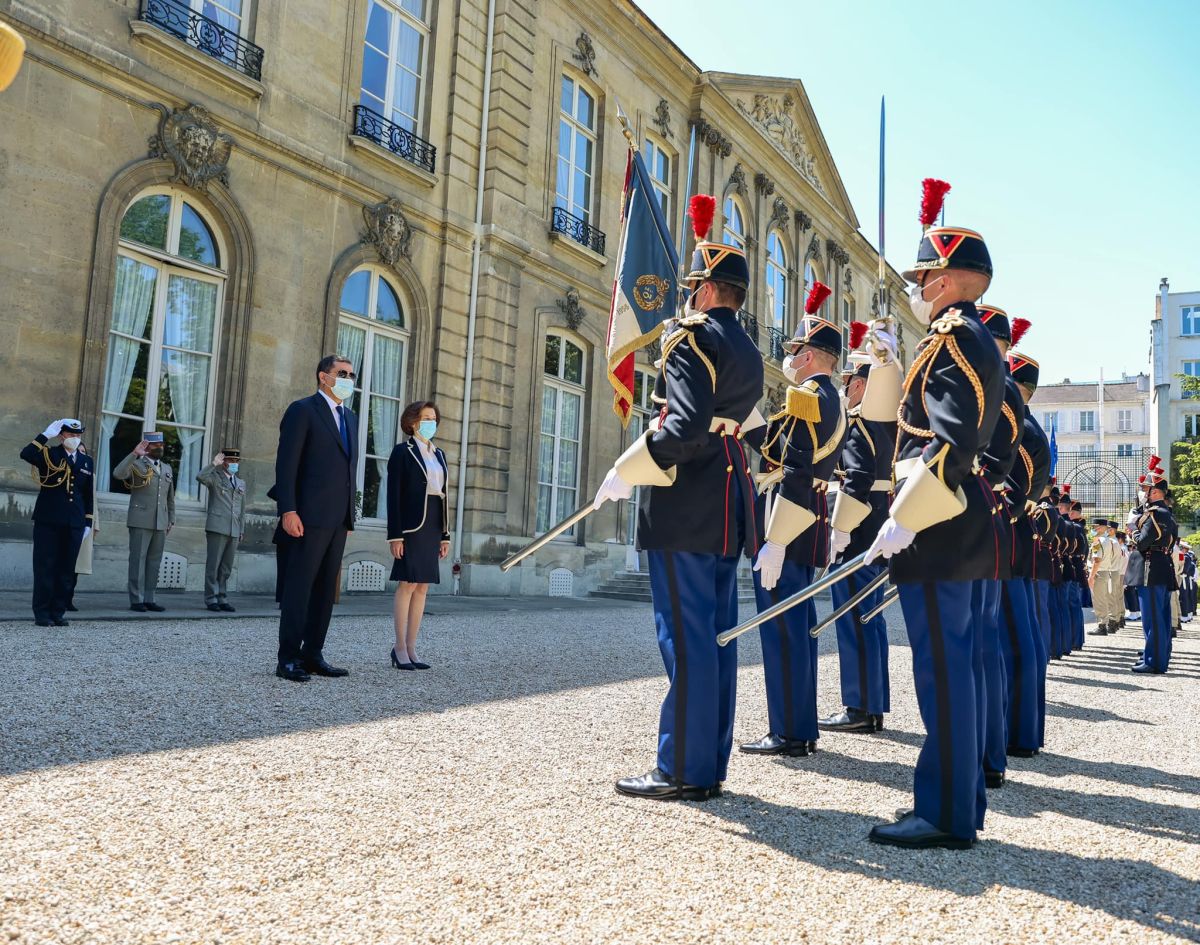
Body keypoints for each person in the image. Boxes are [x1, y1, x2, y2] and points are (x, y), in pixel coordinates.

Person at [592, 193, 764, 801]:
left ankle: (683, 769)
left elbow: (685, 425)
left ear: (708, 290)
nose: (687, 296)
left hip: (684, 502)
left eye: (693, 287)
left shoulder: (690, 338)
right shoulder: (748, 350)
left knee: (685, 641)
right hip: (723, 506)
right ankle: (708, 762)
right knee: (715, 639)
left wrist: (632, 465)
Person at [862, 179, 1005, 850]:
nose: (917, 287)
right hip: (956, 521)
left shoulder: (951, 340)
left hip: (941, 523)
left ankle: (944, 813)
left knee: (942, 672)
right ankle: (959, 800)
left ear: (946, 281)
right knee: (957, 669)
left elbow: (950, 444)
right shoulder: (964, 337)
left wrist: (906, 518)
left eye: (923, 276)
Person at [741, 284, 846, 758]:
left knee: (781, 629)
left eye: (795, 350)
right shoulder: (834, 398)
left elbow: (793, 464)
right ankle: (799, 727)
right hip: (811, 519)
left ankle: (787, 732)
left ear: (810, 356)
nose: (791, 357)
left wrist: (776, 539)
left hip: (791, 518)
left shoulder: (806, 395)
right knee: (797, 628)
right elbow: (788, 454)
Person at [821, 330, 895, 735]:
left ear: (862, 384)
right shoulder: (879, 427)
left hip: (857, 535)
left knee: (855, 623)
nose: (844, 388)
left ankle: (860, 707)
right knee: (869, 622)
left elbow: (857, 481)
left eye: (848, 382)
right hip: (872, 534)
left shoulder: (859, 426)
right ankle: (872, 703)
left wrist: (840, 531)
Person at [273, 355, 358, 682]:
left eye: (351, 374)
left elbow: (349, 471)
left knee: (325, 591)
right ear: (323, 376)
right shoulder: (303, 410)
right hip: (306, 517)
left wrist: (349, 516)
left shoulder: (349, 418)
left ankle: (313, 654)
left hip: (337, 520)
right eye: (342, 373)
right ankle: (288, 658)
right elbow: (286, 464)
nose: (348, 378)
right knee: (300, 588)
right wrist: (288, 509)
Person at [973, 305, 1026, 790]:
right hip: (987, 522)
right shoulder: (1001, 383)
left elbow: (995, 462)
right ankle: (987, 755)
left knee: (978, 648)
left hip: (975, 520)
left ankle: (986, 756)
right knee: (983, 648)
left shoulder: (998, 386)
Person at [1004, 346, 1051, 757]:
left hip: (1008, 543)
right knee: (1025, 637)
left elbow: (1012, 498)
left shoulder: (1020, 430)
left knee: (1014, 639)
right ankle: (1025, 731)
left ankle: (1018, 733)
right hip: (1019, 545)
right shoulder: (1029, 428)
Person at [386, 401, 451, 670]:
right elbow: (393, 495)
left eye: (434, 418)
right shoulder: (402, 452)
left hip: (434, 522)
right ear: (413, 422)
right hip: (411, 525)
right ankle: (398, 647)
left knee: (423, 586)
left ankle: (412, 648)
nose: (430, 423)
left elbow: (445, 495)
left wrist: (445, 535)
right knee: (408, 584)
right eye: (425, 418)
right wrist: (395, 536)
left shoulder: (439, 454)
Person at [20, 418, 94, 626]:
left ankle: (58, 611)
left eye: (78, 435)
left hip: (75, 522)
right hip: (49, 520)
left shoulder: (86, 461)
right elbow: (26, 454)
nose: (74, 438)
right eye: (71, 435)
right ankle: (42, 613)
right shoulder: (48, 454)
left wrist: (87, 521)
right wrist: (45, 435)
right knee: (45, 567)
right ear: (61, 435)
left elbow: (87, 495)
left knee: (66, 569)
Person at [113, 432, 175, 613]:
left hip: (160, 521)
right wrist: (134, 453)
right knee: (137, 561)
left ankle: (150, 598)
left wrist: (171, 518)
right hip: (140, 519)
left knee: (154, 562)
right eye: (155, 445)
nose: (159, 448)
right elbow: (118, 474)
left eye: (161, 445)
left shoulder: (167, 468)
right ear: (146, 447)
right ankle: (136, 598)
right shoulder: (136, 464)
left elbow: (169, 498)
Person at [1131, 475, 1177, 673]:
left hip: (1151, 568)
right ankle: (1160, 657)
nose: (1143, 492)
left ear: (1155, 492)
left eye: (1146, 488)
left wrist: (1133, 531)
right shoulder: (1166, 513)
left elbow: (1142, 542)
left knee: (1153, 618)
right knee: (1162, 616)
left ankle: (1153, 661)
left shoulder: (1155, 514)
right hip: (1161, 566)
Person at [197, 448, 246, 612]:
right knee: (214, 565)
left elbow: (242, 509)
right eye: (231, 461)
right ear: (224, 462)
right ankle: (211, 599)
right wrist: (213, 464)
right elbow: (200, 477)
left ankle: (222, 597)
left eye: (236, 462)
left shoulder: (240, 483)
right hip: (217, 527)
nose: (234, 464)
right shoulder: (215, 478)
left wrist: (241, 530)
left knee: (226, 567)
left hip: (233, 528)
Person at [1088, 519, 1124, 635]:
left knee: (1099, 600)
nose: (1093, 529)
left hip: (1099, 572)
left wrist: (1091, 576)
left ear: (1102, 527)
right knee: (1105, 598)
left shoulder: (1098, 541)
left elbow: (1096, 560)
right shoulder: (1109, 541)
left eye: (1095, 527)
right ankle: (1105, 623)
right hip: (1106, 572)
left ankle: (1102, 625)